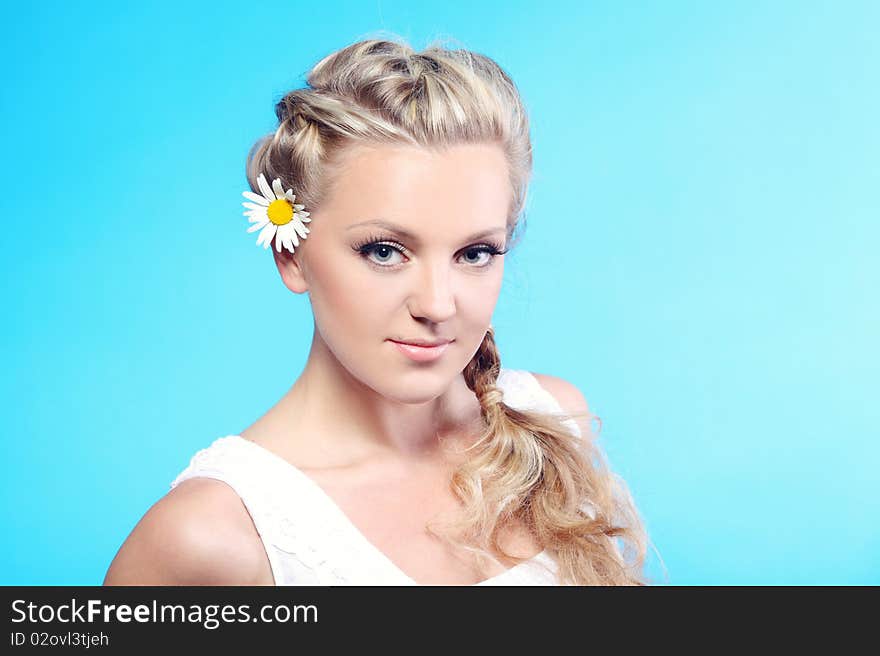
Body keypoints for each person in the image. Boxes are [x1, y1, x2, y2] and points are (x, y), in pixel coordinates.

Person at [104, 36, 649, 586]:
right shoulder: (214, 537)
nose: (437, 305)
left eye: (475, 253)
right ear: (291, 256)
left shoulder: (555, 421)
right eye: (384, 251)